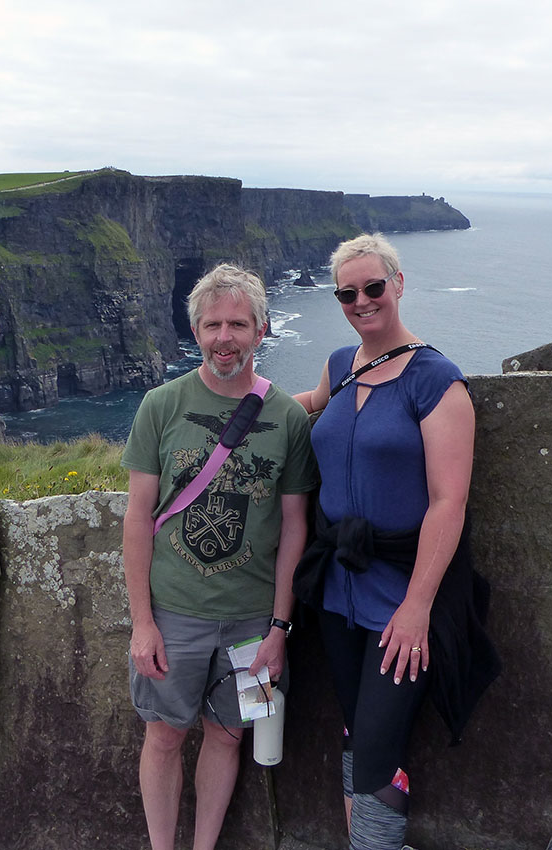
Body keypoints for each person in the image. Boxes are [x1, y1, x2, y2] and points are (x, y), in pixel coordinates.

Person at [293, 233, 499, 850]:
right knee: (357, 731)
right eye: (348, 293)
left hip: (399, 594)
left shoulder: (436, 380)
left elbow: (448, 502)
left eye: (374, 287)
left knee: (381, 748)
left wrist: (417, 609)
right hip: (337, 588)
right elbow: (315, 407)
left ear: (399, 284)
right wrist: (247, 401)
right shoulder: (339, 364)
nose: (362, 301)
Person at [122, 263, 316, 850]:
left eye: (237, 324)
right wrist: (142, 623)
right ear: (196, 331)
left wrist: (280, 628)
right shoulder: (161, 405)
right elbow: (137, 517)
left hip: (253, 621)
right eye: (211, 325)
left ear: (262, 330)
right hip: (174, 613)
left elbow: (293, 529)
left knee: (229, 736)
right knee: (162, 736)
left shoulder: (286, 417)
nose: (223, 337)